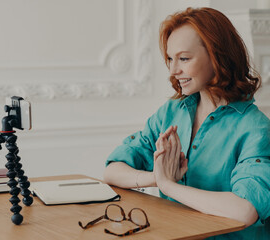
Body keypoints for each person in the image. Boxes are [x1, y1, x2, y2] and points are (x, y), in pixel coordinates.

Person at [103, 7, 270, 239]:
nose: (173, 70)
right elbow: (112, 171)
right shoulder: (171, 112)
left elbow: (246, 210)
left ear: (217, 56)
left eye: (184, 58)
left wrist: (169, 186)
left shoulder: (255, 128)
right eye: (170, 59)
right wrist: (158, 177)